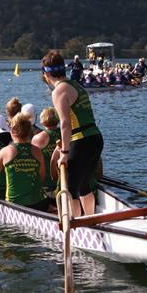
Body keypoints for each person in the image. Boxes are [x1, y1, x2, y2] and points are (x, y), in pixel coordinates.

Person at [40, 50, 103, 217]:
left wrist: (65, 153)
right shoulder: (76, 84)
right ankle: (89, 220)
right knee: (84, 186)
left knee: (67, 187)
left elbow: (66, 124)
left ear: (46, 74)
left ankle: (76, 227)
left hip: (81, 141)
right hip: (95, 138)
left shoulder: (59, 91)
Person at [32, 107, 61, 193]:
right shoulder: (65, 133)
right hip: (64, 182)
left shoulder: (39, 138)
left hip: (47, 184)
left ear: (42, 121)